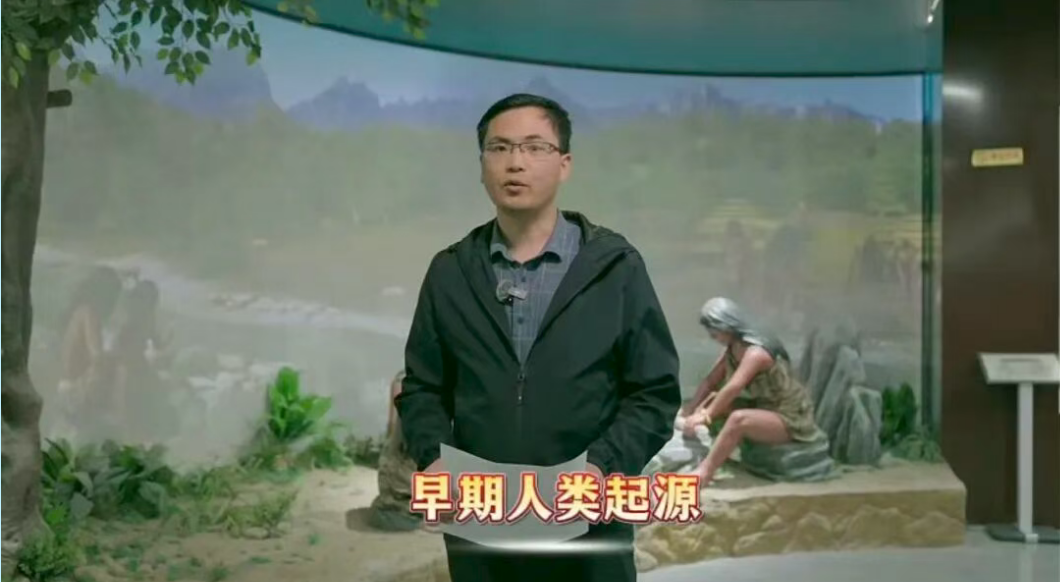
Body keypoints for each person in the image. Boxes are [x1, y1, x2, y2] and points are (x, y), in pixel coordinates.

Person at [395, 93, 681, 582]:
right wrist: (435, 459)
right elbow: (422, 388)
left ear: (564, 164)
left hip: (587, 523)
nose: (515, 162)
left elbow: (654, 392)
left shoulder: (614, 267)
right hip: (481, 521)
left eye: (534, 147)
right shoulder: (450, 272)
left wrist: (601, 467)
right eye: (499, 148)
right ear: (481, 164)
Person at [679, 297, 820, 487]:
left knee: (739, 419)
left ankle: (705, 472)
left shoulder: (756, 353)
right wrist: (690, 410)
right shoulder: (733, 348)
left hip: (789, 416)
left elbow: (734, 386)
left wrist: (706, 415)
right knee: (714, 402)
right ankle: (711, 450)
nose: (712, 336)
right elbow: (710, 381)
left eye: (714, 331)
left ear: (726, 325)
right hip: (762, 405)